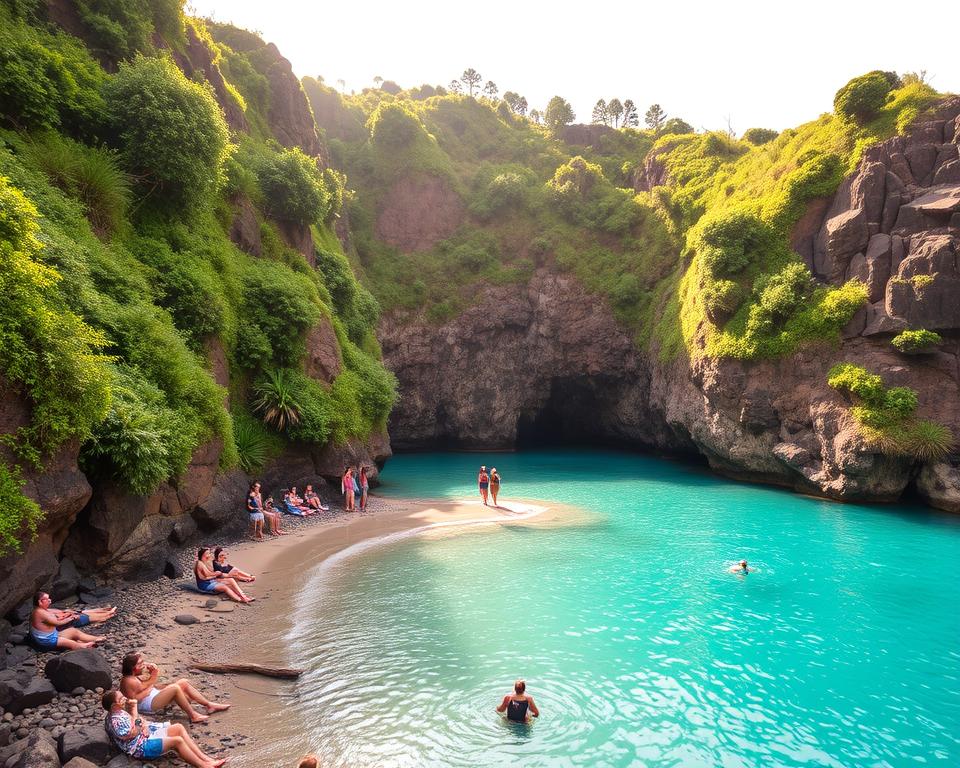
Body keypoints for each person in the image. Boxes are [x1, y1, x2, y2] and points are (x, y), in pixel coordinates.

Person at [102, 689, 226, 767]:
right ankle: (203, 765)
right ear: (115, 705)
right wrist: (134, 712)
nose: (124, 698)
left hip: (144, 735)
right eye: (121, 698)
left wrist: (143, 724)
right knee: (177, 741)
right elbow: (132, 733)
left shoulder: (119, 712)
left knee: (178, 727)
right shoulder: (115, 720)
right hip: (139, 747)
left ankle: (205, 758)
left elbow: (138, 722)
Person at [120, 652, 229, 724]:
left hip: (152, 696)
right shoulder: (129, 681)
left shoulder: (133, 677)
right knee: (175, 688)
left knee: (184, 682)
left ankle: (209, 705)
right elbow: (133, 700)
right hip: (148, 705)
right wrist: (154, 676)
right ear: (133, 668)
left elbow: (147, 685)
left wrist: (151, 679)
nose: (143, 665)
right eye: (140, 664)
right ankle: (193, 715)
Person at [29, 591, 114, 650]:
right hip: (48, 641)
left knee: (73, 632)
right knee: (72, 643)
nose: (50, 600)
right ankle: (83, 645)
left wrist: (67, 615)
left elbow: (57, 614)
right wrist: (70, 617)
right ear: (40, 602)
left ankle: (95, 639)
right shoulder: (39, 613)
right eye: (47, 599)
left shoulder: (41, 610)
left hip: (51, 635)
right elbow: (57, 623)